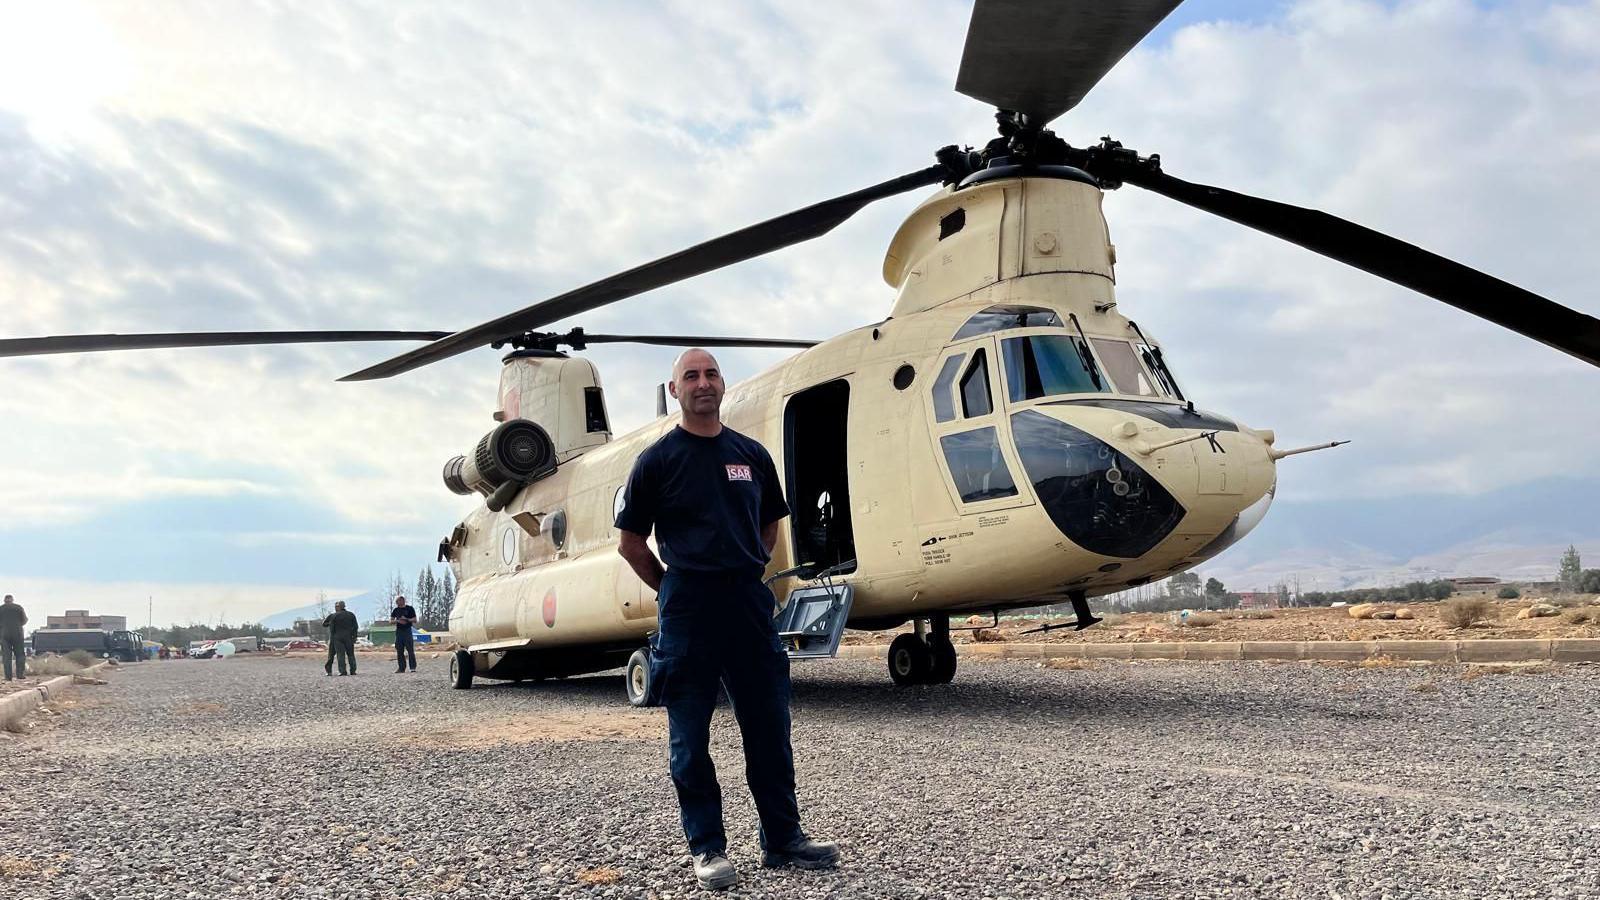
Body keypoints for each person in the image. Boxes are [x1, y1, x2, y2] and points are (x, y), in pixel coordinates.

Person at [615, 348, 837, 891]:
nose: (702, 382)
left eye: (711, 373)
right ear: (676, 391)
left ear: (722, 383)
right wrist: (670, 585)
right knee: (690, 739)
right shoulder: (657, 461)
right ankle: (708, 847)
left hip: (747, 604)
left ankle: (782, 840)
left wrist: (755, 563)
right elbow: (630, 543)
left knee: (769, 728)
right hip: (688, 609)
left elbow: (772, 524)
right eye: (690, 376)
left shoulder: (751, 455)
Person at [322, 600, 360, 676]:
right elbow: (355, 627)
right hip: (349, 637)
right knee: (351, 654)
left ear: (339, 607)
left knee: (340, 654)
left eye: (336, 606)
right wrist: (354, 636)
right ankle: (353, 670)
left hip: (337, 638)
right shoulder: (351, 615)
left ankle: (342, 671)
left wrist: (330, 624)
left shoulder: (333, 616)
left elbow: (324, 624)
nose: (335, 608)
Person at [0, 594, 26, 681]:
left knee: (6, 656)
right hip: (17, 633)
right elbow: (25, 620)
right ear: (12, 600)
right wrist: (17, 624)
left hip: (4, 634)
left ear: (4, 600)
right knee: (20, 655)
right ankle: (20, 674)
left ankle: (8, 677)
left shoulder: (1, 609)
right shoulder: (18, 608)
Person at [390, 595, 417, 673]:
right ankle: (401, 668)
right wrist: (397, 621)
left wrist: (407, 619)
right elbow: (391, 621)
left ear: (402, 601)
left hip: (407, 630)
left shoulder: (410, 609)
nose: (397, 603)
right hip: (399, 631)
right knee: (399, 650)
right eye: (396, 601)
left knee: (410, 650)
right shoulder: (395, 610)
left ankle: (413, 667)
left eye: (398, 601)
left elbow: (415, 619)